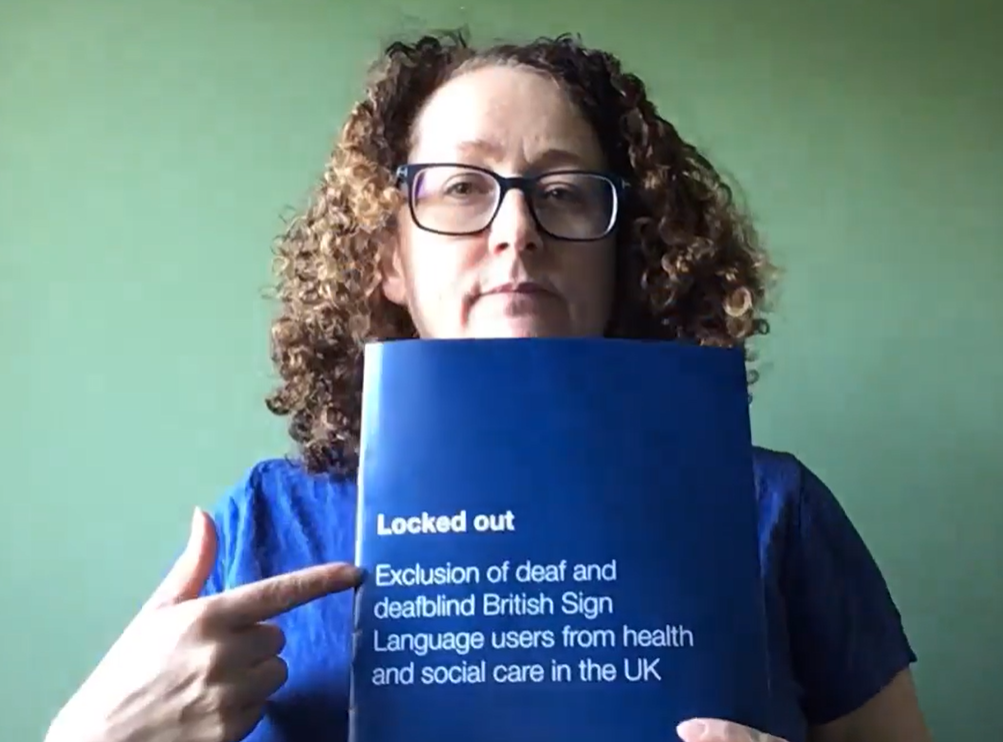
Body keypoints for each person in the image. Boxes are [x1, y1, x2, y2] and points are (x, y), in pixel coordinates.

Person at [44, 30, 933, 742]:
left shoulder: (774, 508)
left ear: (628, 251)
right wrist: (95, 734)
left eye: (567, 192)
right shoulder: (266, 525)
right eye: (463, 187)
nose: (517, 229)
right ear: (387, 256)